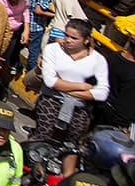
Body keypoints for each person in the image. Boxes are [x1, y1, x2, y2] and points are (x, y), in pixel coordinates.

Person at [32, 17, 110, 174]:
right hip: (51, 101)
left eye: (74, 38)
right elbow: (50, 81)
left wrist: (65, 87)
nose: (67, 40)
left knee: (71, 144)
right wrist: (83, 87)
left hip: (79, 107)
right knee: (42, 136)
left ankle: (67, 178)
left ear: (87, 40)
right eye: (66, 35)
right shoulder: (53, 49)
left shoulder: (98, 60)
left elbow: (102, 92)